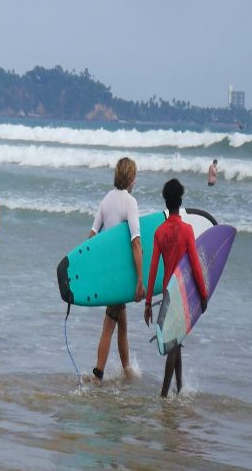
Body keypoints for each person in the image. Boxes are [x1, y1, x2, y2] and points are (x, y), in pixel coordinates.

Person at [144, 179, 208, 398]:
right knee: (174, 344)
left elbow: (152, 269)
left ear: (166, 201)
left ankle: (179, 388)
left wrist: (147, 304)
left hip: (167, 294)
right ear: (180, 202)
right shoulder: (187, 230)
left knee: (176, 341)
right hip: (181, 294)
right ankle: (164, 395)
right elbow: (196, 265)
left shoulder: (160, 232)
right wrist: (203, 293)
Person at [90, 157, 145, 383]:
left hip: (109, 273)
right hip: (121, 276)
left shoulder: (106, 200)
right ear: (131, 178)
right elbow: (136, 242)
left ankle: (126, 370)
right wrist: (140, 279)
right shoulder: (129, 202)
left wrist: (93, 270)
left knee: (121, 323)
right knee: (109, 324)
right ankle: (98, 375)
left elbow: (92, 237)